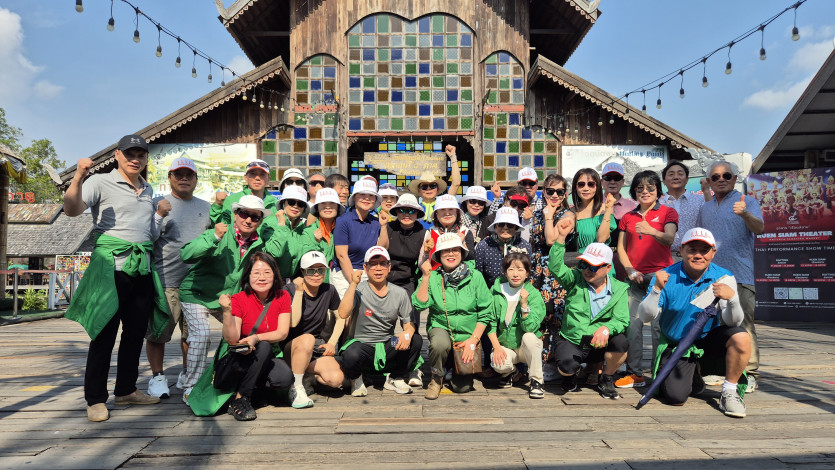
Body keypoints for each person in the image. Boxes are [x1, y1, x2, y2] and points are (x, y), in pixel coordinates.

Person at [64, 134, 168, 422]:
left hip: (142, 269)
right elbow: (71, 210)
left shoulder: (148, 190)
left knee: (135, 334)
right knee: (103, 334)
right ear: (117, 155)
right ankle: (95, 398)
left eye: (141, 155)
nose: (135, 159)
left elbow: (149, 235)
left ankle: (126, 390)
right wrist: (79, 176)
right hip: (110, 269)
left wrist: (159, 216)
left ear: (146, 159)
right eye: (129, 154)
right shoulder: (99, 182)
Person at [638, 228, 751, 418]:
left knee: (741, 336)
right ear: (681, 250)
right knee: (675, 397)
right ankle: (693, 375)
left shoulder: (724, 277)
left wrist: (732, 299)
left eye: (704, 250)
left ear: (713, 252)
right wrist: (656, 290)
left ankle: (729, 392)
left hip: (708, 340)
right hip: (677, 344)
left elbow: (734, 322)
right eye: (692, 250)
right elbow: (645, 317)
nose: (698, 255)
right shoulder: (665, 276)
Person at [178, 195, 280, 404]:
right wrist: (214, 237)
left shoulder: (259, 243)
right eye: (244, 214)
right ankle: (190, 386)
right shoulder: (219, 232)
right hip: (197, 294)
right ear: (235, 214)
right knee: (201, 335)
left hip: (225, 298)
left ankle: (227, 378)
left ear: (260, 221)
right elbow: (186, 254)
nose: (248, 220)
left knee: (237, 336)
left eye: (255, 217)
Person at [145, 157, 212, 400]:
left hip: (196, 283)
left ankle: (187, 373)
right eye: (178, 174)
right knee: (158, 333)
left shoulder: (207, 207)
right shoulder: (158, 204)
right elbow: (146, 237)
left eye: (189, 175)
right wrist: (158, 215)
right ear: (170, 178)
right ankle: (157, 377)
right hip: (166, 281)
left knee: (192, 334)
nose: (184, 179)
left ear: (196, 179)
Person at [697, 161, 764, 393]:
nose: (721, 179)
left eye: (726, 175)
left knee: (744, 325)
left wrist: (744, 213)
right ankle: (721, 370)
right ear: (709, 181)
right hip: (710, 278)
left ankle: (751, 373)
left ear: (735, 178)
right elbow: (701, 241)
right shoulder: (705, 208)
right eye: (715, 177)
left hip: (740, 275)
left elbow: (759, 228)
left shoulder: (747, 202)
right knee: (714, 326)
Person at [549, 219, 630, 400]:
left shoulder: (620, 288)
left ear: (608, 268)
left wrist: (607, 328)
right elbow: (555, 267)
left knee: (621, 342)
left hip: (599, 343)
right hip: (573, 339)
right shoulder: (574, 279)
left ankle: (606, 378)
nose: (587, 270)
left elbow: (622, 320)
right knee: (566, 367)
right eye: (584, 264)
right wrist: (561, 237)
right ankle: (572, 375)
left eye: (594, 266)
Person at [615, 170, 678, 389]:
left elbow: (669, 239)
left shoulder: (668, 212)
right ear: (634, 192)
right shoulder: (628, 217)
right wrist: (631, 271)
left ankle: (658, 374)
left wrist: (651, 230)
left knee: (659, 328)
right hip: (635, 278)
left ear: (658, 191)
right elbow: (621, 249)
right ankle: (635, 374)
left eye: (650, 188)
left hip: (660, 279)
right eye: (640, 188)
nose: (645, 191)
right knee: (633, 326)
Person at [413, 233, 492, 399]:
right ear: (439, 255)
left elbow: (486, 312)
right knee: (439, 344)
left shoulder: (476, 276)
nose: (451, 254)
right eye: (445, 250)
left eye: (455, 250)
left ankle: (450, 366)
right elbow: (419, 304)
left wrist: (473, 340)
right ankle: (436, 377)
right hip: (441, 327)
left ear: (462, 253)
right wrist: (425, 277)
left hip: (466, 336)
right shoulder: (433, 276)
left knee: (462, 388)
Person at [215, 252, 293, 421]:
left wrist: (256, 337)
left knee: (283, 378)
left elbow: (282, 332)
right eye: (256, 273)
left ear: (275, 275)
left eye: (267, 272)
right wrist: (227, 311)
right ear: (248, 276)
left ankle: (256, 391)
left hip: (264, 357)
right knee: (264, 346)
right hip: (240, 358)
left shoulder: (283, 296)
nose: (262, 277)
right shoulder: (238, 299)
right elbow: (232, 339)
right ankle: (240, 399)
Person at [337, 246, 424, 396]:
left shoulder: (400, 293)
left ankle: (395, 377)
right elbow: (343, 313)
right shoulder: (357, 290)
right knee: (351, 354)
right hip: (362, 345)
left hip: (387, 345)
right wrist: (353, 284)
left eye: (383, 264)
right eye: (373, 264)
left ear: (389, 267)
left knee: (415, 340)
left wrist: (407, 334)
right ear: (365, 268)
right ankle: (357, 378)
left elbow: (409, 324)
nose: (378, 268)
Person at [282, 251, 345, 408]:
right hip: (292, 346)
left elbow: (341, 318)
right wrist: (299, 292)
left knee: (336, 379)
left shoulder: (329, 290)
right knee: (307, 338)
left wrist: (332, 343)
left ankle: (306, 377)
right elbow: (293, 322)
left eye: (320, 270)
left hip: (315, 346)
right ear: (302, 271)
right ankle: (297, 387)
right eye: (310, 270)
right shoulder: (289, 290)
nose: (316, 274)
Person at [377, 193, 427, 387]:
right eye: (403, 210)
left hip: (408, 281)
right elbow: (381, 250)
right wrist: (383, 226)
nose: (407, 214)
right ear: (396, 212)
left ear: (417, 213)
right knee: (383, 324)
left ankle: (414, 366)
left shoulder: (422, 232)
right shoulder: (389, 227)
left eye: (411, 211)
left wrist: (427, 252)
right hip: (386, 280)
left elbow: (422, 262)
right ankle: (384, 363)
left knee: (411, 324)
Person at [486, 252, 547, 398]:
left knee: (530, 337)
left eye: (520, 270)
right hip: (506, 345)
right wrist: (497, 348)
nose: (515, 274)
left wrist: (524, 305)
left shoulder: (533, 294)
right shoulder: (495, 291)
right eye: (511, 269)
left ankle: (537, 381)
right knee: (498, 362)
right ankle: (512, 372)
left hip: (525, 348)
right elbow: (490, 322)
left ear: (527, 274)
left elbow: (530, 328)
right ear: (505, 272)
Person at [529, 173, 575, 365]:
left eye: (560, 192)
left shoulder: (568, 215)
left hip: (556, 271)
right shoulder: (536, 213)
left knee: (555, 314)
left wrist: (549, 218)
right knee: (538, 314)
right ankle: (538, 361)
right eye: (550, 191)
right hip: (537, 270)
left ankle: (556, 361)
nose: (555, 195)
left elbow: (551, 240)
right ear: (544, 192)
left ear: (565, 194)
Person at [333, 178, 381, 297]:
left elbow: (381, 248)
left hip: (368, 272)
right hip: (344, 274)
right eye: (362, 194)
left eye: (371, 195)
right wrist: (354, 283)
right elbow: (341, 256)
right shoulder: (343, 221)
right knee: (346, 307)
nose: (367, 198)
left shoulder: (376, 222)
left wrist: (384, 226)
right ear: (354, 197)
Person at [659, 160, 711, 262]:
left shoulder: (700, 200)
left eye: (680, 174)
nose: (676, 177)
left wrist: (706, 191)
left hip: (694, 257)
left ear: (687, 179)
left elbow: (712, 215)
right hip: (665, 258)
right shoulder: (658, 204)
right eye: (671, 174)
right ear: (664, 181)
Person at [475, 207, 533, 290]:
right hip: (490, 292)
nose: (505, 228)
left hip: (518, 292)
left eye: (510, 225)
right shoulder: (483, 246)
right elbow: (479, 277)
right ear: (495, 226)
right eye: (501, 224)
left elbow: (528, 274)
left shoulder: (524, 246)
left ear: (516, 227)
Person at [210, 159, 279, 228]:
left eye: (262, 174)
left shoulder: (275, 204)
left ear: (268, 179)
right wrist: (217, 205)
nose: (257, 178)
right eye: (253, 174)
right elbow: (219, 227)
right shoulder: (230, 201)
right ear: (246, 178)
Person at [417, 194, 476, 272]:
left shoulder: (465, 231)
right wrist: (426, 252)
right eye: (442, 209)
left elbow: (472, 259)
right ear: (436, 213)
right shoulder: (430, 232)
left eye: (451, 209)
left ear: (457, 212)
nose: (447, 213)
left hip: (461, 277)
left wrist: (463, 243)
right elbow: (421, 264)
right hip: (435, 276)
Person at [408, 144, 462, 229]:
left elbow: (456, 184)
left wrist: (453, 157)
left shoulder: (444, 204)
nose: (429, 189)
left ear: (437, 189)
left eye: (432, 186)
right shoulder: (415, 209)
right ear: (419, 190)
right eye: (424, 187)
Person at [301, 187, 344, 283]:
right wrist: (316, 242)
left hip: (339, 282)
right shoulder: (308, 231)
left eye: (332, 203)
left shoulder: (344, 229)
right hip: (316, 282)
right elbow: (305, 257)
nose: (328, 207)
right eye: (323, 203)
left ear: (338, 207)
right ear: (317, 208)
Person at [570, 168, 616, 252]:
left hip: (600, 258)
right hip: (577, 259)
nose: (586, 188)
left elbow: (601, 239)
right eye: (581, 184)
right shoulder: (570, 212)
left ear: (597, 187)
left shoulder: (605, 209)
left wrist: (608, 210)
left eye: (591, 184)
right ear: (575, 187)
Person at [273, 185, 310, 280]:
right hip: (273, 280)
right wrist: (282, 224)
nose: (295, 206)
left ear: (304, 208)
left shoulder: (303, 228)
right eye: (291, 202)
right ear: (283, 203)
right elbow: (276, 252)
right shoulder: (271, 223)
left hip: (293, 280)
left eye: (300, 204)